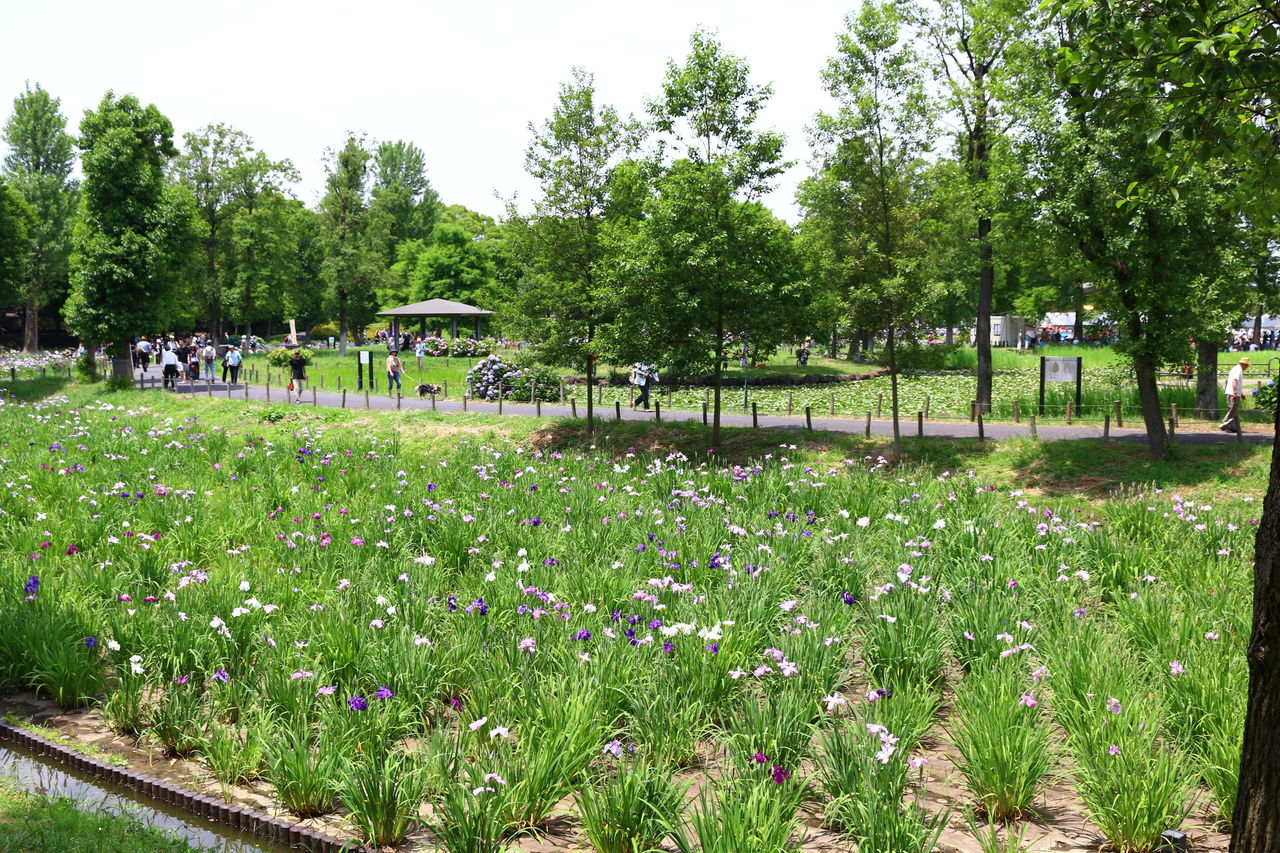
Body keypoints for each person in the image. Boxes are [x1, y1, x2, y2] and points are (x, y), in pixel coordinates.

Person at [1220, 356, 1249, 435]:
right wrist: (1235, 393)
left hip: (1233, 392)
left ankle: (1233, 427)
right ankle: (1225, 424)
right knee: (1232, 410)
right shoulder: (1237, 370)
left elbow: (1238, 383)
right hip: (1232, 393)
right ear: (1243, 364)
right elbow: (1234, 381)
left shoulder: (1236, 369)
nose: (1247, 367)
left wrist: (1241, 393)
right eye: (1246, 365)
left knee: (1233, 410)